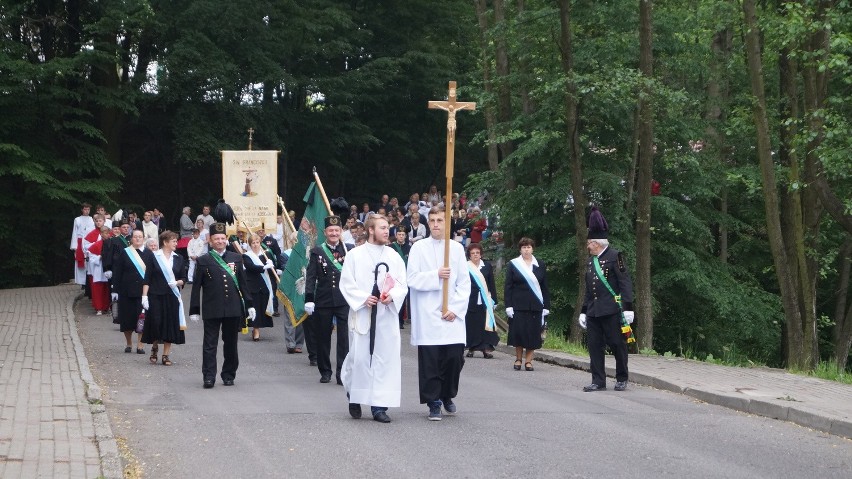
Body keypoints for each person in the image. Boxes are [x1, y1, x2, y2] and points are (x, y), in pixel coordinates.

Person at [339, 215, 408, 423]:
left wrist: (392, 296)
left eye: (388, 228)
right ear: (371, 230)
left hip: (385, 316)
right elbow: (346, 283)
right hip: (363, 313)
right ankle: (355, 395)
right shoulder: (355, 255)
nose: (388, 231)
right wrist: (362, 299)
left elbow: (401, 283)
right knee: (359, 358)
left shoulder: (393, 256)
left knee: (384, 359)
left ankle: (379, 406)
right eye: (383, 228)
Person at [407, 206, 471, 421]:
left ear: (447, 223)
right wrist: (435, 275)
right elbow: (412, 278)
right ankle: (433, 401)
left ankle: (447, 394)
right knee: (431, 361)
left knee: (454, 358)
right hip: (428, 314)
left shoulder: (456, 248)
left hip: (451, 312)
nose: (435, 224)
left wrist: (455, 309)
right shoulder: (418, 248)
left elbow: (464, 282)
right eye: (432, 220)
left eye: (440, 220)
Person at [189, 223, 256, 389]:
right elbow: (196, 287)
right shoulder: (204, 260)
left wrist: (250, 305)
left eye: (222, 238)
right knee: (210, 344)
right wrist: (194, 309)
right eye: (216, 239)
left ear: (226, 240)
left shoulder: (236, 258)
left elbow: (243, 284)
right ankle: (209, 377)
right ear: (210, 241)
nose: (219, 241)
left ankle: (228, 374)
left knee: (231, 343)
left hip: (233, 308)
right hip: (212, 308)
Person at [579, 207, 634, 392]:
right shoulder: (590, 261)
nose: (587, 246)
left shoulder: (615, 256)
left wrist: (628, 308)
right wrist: (583, 311)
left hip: (611, 310)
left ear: (597, 243)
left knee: (617, 344)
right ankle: (598, 381)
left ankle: (621, 377)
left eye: (589, 243)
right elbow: (589, 287)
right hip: (594, 310)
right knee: (594, 346)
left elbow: (625, 282)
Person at [304, 215, 349, 384]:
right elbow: (311, 277)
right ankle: (325, 371)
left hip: (343, 300)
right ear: (325, 232)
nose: (334, 233)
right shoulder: (317, 251)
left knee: (344, 339)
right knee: (323, 337)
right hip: (323, 300)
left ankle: (342, 373)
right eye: (331, 230)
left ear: (341, 232)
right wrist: (309, 298)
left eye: (337, 230)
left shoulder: (348, 250)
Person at [504, 237, 550, 372]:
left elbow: (545, 287)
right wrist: (508, 306)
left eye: (528, 247)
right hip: (518, 305)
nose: (526, 250)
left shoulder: (540, 264)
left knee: (533, 334)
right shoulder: (514, 264)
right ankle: (518, 359)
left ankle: (529, 361)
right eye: (524, 247)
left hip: (535, 305)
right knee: (519, 333)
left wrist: (546, 306)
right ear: (520, 249)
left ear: (532, 248)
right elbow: (508, 286)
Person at [141, 231, 187, 366]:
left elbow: (184, 278)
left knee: (170, 325)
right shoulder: (154, 256)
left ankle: (166, 355)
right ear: (165, 242)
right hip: (155, 295)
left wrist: (178, 283)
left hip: (172, 296)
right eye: (173, 241)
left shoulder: (179, 258)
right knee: (156, 323)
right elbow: (147, 277)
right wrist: (144, 296)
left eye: (176, 241)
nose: (176, 243)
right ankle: (155, 347)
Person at [111, 229, 154, 354]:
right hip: (126, 291)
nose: (138, 239)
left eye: (140, 237)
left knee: (141, 319)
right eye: (135, 237)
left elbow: (152, 274)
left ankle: (140, 344)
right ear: (131, 239)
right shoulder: (125, 253)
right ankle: (129, 343)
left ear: (143, 239)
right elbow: (118, 271)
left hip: (143, 293)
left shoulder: (149, 254)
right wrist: (115, 290)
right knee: (127, 319)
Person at [465, 243, 499, 358]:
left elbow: (491, 283)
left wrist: (494, 300)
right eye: (473, 253)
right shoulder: (466, 266)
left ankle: (485, 348)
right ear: (469, 255)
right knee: (472, 323)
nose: (475, 255)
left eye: (477, 253)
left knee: (484, 323)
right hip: (471, 299)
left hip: (485, 299)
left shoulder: (487, 266)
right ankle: (471, 347)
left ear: (481, 254)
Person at [242, 233, 275, 341]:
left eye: (257, 242)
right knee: (255, 307)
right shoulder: (247, 255)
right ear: (250, 244)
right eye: (253, 243)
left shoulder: (266, 254)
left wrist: (272, 265)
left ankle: (259, 326)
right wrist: (264, 267)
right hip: (253, 284)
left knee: (262, 306)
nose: (255, 245)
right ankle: (256, 330)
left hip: (265, 285)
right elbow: (250, 267)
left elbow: (273, 268)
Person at [87, 226, 113, 315]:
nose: (106, 235)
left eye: (108, 233)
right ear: (101, 234)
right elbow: (91, 258)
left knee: (107, 289)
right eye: (104, 233)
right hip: (99, 270)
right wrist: (100, 257)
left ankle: (107, 307)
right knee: (98, 290)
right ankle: (99, 308)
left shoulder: (112, 244)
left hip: (109, 269)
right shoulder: (96, 245)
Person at [70, 203, 95, 288]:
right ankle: (82, 282)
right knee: (81, 263)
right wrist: (75, 246)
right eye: (85, 209)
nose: (87, 211)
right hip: (80, 242)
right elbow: (75, 233)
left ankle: (88, 281)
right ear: (82, 210)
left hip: (88, 242)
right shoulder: (77, 219)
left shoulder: (92, 219)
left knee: (88, 262)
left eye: (88, 209)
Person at [390, 226, 410, 329]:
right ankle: (393, 319)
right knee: (393, 297)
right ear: (396, 235)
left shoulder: (409, 248)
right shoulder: (391, 247)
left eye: (403, 235)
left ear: (405, 236)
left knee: (402, 298)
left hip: (405, 276)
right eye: (399, 234)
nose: (401, 236)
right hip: (394, 276)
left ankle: (401, 321)